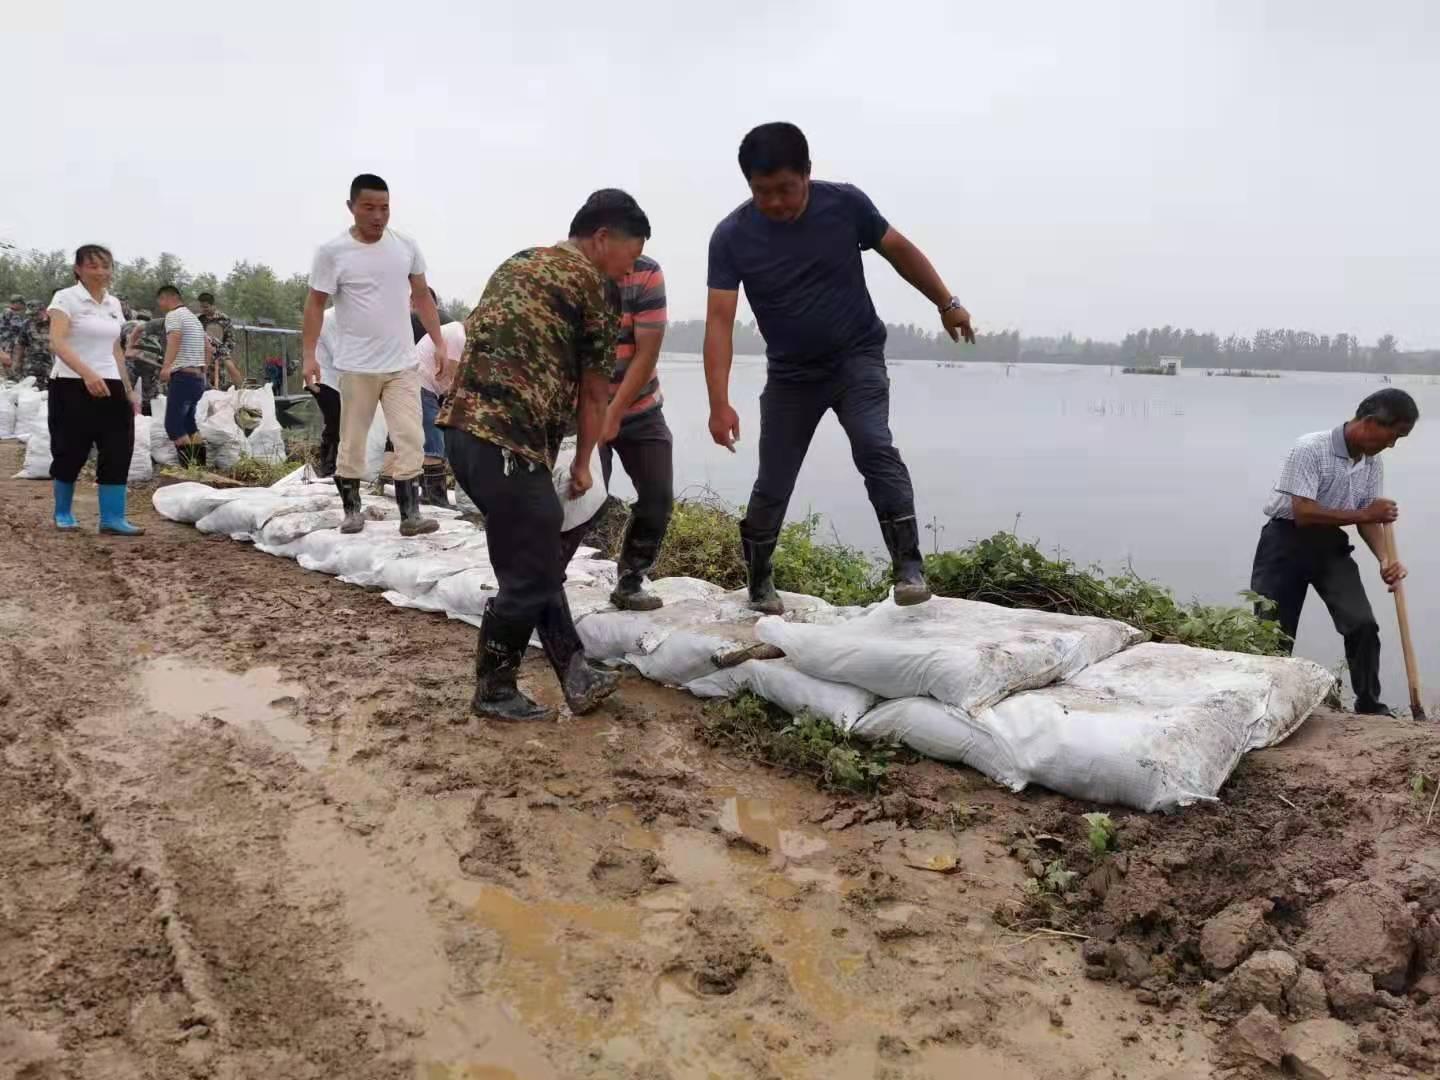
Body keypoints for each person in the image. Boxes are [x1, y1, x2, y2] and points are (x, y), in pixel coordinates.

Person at [703, 122, 975, 614]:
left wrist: (946, 302)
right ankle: (759, 581)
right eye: (762, 192)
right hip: (790, 376)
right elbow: (720, 322)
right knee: (773, 480)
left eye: (786, 189)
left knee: (874, 445)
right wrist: (718, 403)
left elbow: (899, 250)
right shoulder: (731, 236)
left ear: (807, 173)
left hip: (856, 359)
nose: (776, 202)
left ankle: (909, 568)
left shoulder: (845, 204)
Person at [439, 188, 650, 723]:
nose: (628, 273)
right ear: (602, 238)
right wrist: (583, 464)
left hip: (462, 433)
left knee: (533, 559)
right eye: (629, 258)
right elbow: (595, 392)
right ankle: (494, 689)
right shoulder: (596, 287)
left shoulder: (520, 261)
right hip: (507, 444)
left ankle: (577, 674)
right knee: (531, 574)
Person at [1250, 389, 1419, 717]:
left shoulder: (1371, 463)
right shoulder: (1310, 449)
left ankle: (1369, 704)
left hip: (1329, 545)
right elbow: (1303, 512)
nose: (1392, 445)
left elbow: (1367, 518)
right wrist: (1365, 513)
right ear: (1370, 422)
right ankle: (1266, 707)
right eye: (1394, 435)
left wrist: (1384, 559)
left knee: (1362, 624)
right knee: (1273, 631)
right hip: (1284, 541)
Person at [301, 173, 447, 537]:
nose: (378, 216)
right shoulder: (333, 252)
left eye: (384, 208)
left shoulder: (405, 246)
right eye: (369, 207)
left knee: (410, 437)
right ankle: (352, 510)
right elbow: (315, 305)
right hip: (357, 366)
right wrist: (309, 355)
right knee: (352, 440)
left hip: (402, 365)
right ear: (351, 207)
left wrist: (439, 342)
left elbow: (422, 296)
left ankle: (410, 515)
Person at [559, 250, 673, 611]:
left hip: (641, 407)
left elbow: (647, 352)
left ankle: (631, 580)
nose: (629, 263)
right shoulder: (572, 275)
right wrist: (593, 414)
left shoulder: (646, 274)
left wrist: (615, 411)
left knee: (657, 497)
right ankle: (545, 581)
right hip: (582, 409)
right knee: (581, 495)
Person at [46, 244, 144, 535]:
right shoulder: (66, 298)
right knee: (70, 447)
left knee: (118, 447)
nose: (101, 272)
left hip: (111, 382)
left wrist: (127, 388)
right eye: (93, 266)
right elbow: (57, 342)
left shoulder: (113, 304)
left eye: (106, 266)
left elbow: (115, 349)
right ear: (78, 269)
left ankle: (112, 518)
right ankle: (63, 512)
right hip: (71, 382)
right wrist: (87, 374)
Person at [413, 286, 463, 505]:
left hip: (421, 384)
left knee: (430, 438)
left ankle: (429, 493)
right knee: (434, 440)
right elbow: (452, 379)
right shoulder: (459, 336)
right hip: (420, 384)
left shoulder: (455, 331)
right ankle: (434, 497)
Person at [154, 285, 212, 466]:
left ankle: (189, 469)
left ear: (167, 298)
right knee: (188, 423)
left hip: (183, 377)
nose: (160, 305)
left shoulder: (174, 315)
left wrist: (166, 367)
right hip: (197, 379)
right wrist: (204, 370)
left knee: (173, 425)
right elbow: (208, 348)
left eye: (160, 301)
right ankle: (200, 467)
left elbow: (175, 338)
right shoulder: (193, 319)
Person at [307, 306, 342, 477]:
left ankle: (332, 464)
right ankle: (328, 466)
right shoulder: (328, 318)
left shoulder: (346, 316)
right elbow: (338, 354)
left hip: (336, 380)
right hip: (324, 379)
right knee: (336, 422)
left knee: (337, 422)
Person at [197, 292, 242, 388]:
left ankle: (240, 388)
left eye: (206, 307)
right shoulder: (199, 319)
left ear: (213, 305)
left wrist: (222, 353)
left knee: (219, 385)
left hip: (220, 356)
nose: (203, 309)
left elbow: (230, 340)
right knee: (203, 385)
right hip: (203, 357)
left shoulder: (224, 319)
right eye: (202, 307)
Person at [10, 304, 52, 389]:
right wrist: (16, 362)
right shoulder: (27, 324)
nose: (33, 317)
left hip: (52, 364)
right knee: (32, 390)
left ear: (44, 311)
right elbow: (20, 344)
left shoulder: (55, 322)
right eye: (30, 315)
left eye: (35, 314)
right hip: (32, 364)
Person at [1, 294, 29, 360]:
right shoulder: (11, 313)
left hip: (4, 343)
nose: (23, 306)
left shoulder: (5, 311)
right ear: (17, 303)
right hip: (8, 345)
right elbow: (19, 327)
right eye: (22, 304)